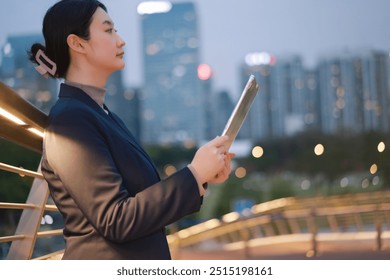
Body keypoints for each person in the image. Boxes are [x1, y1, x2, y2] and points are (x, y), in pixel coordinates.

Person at [29, 0, 233, 260]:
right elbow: (116, 219)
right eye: (109, 30)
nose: (121, 40)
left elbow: (140, 202)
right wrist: (193, 174)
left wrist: (201, 178)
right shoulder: (70, 119)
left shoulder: (101, 115)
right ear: (77, 43)